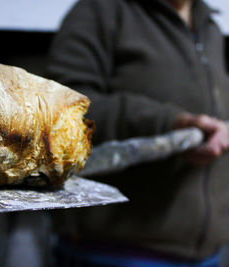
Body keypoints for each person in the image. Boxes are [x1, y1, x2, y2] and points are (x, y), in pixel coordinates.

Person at [46, 0, 229, 266]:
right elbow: (64, 110)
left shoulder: (209, 24)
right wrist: (170, 123)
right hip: (113, 251)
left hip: (205, 255)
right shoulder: (100, 11)